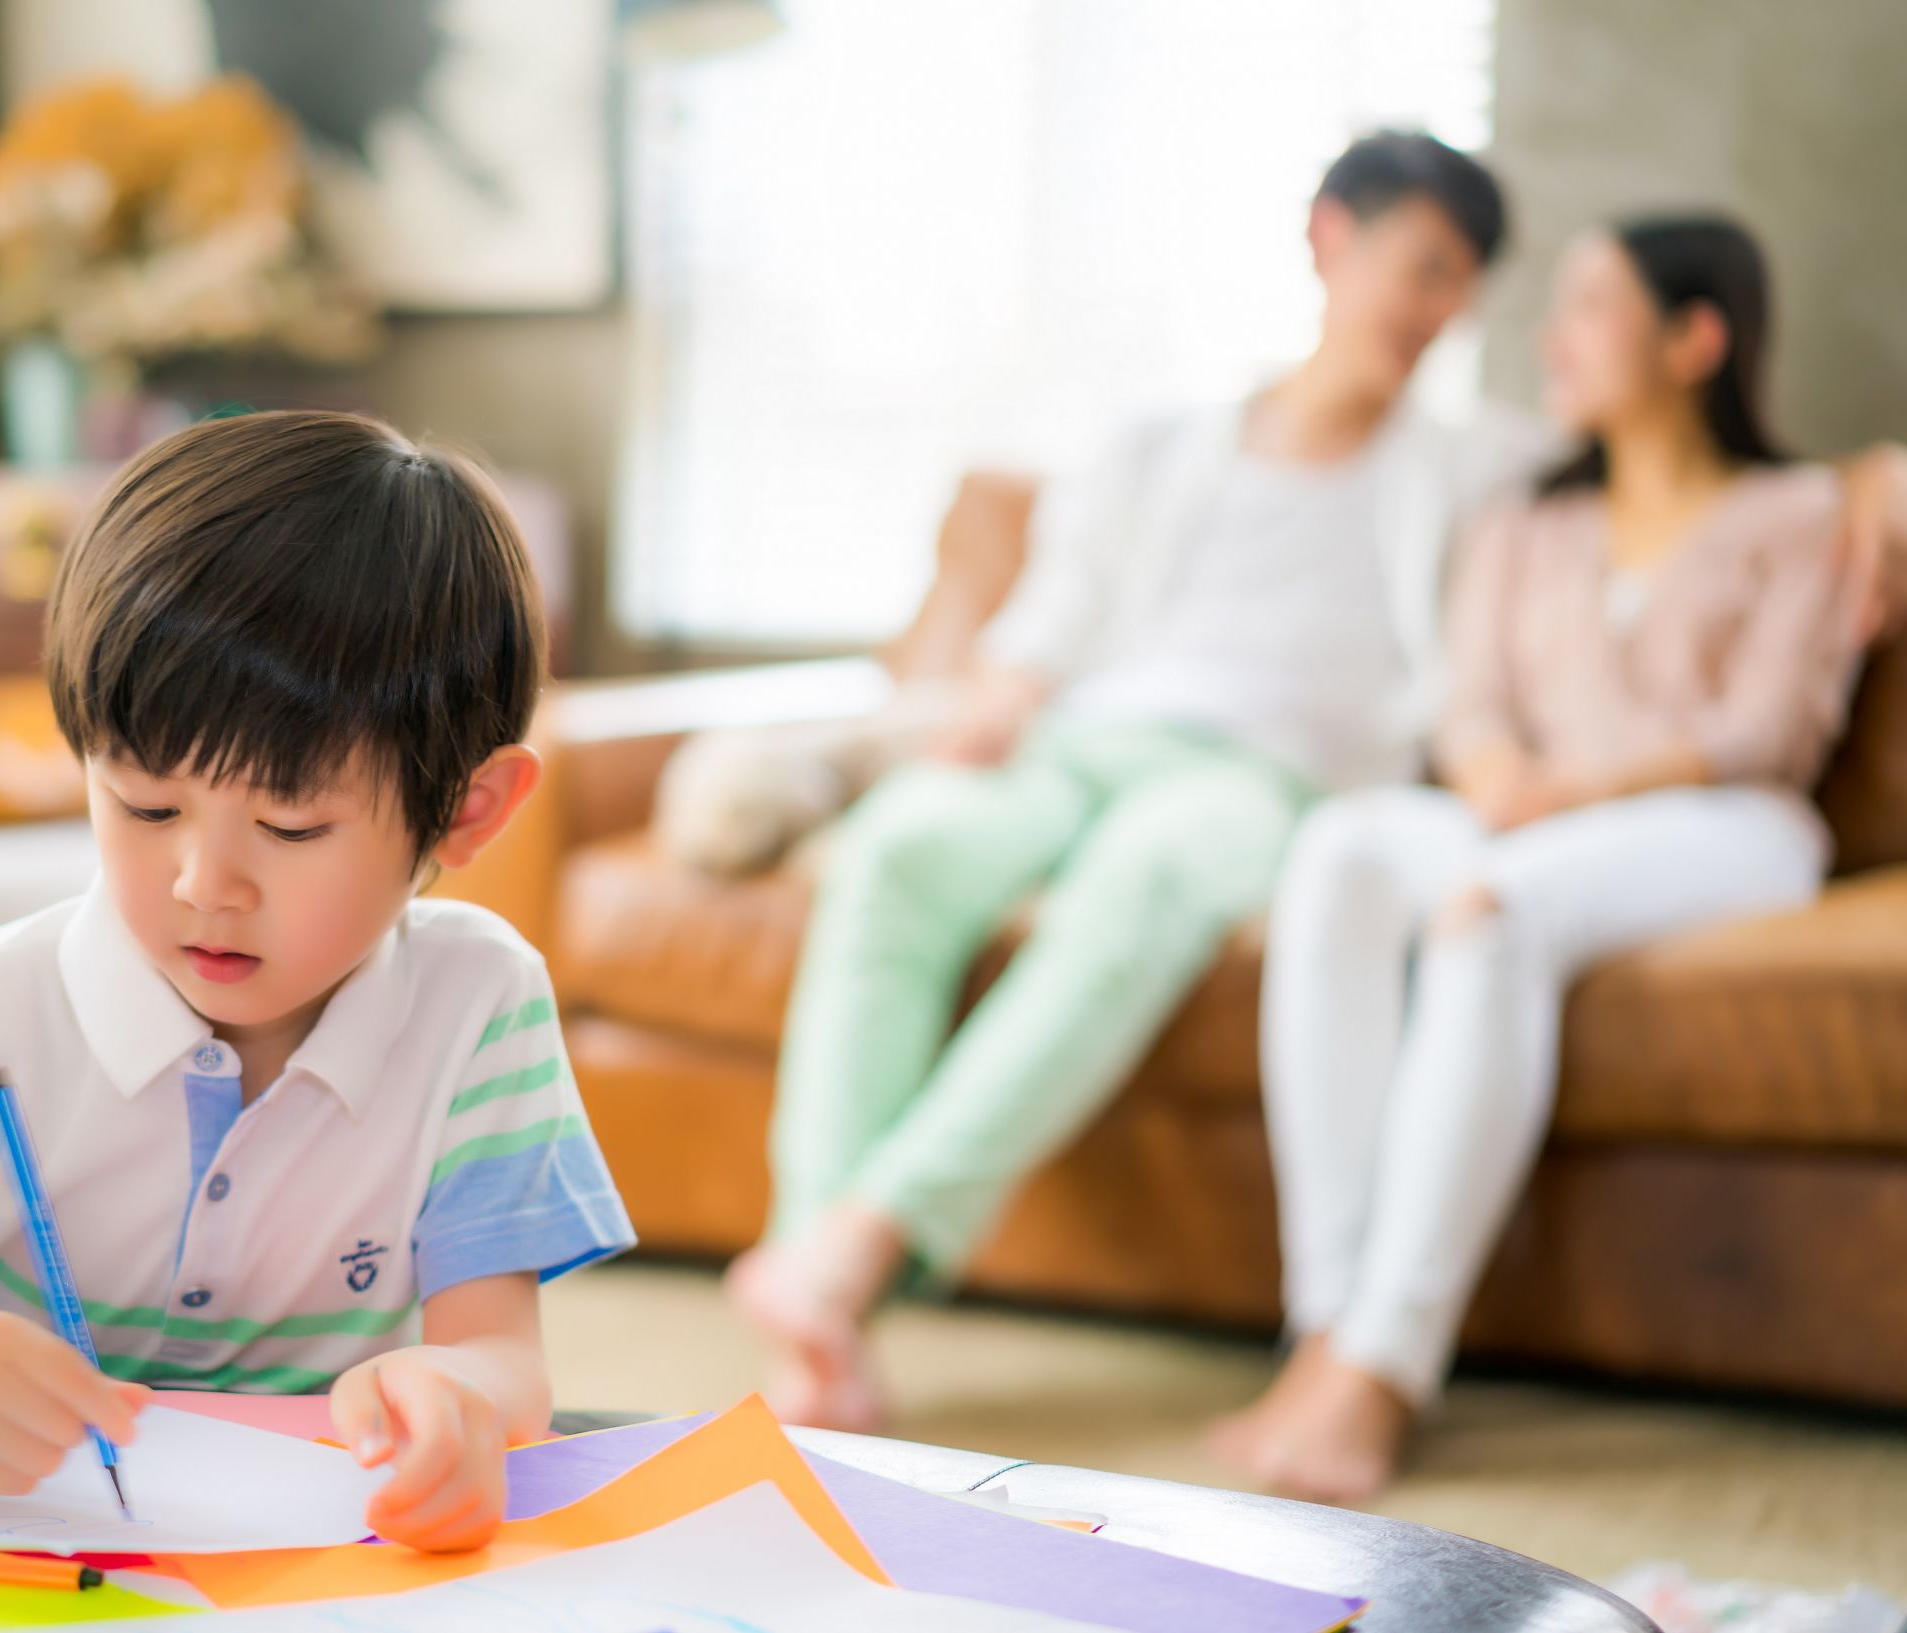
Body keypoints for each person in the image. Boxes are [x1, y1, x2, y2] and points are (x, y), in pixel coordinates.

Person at [0, 410, 637, 1553]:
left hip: (285, 1568)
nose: (205, 884)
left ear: (467, 809)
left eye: (292, 826)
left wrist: (457, 1396)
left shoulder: (479, 1004)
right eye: (145, 804)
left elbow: (500, 1355)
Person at [726, 132, 1555, 1432]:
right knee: (899, 848)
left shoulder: (1475, 465)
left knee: (1144, 883)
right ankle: (817, 1295)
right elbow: (1058, 613)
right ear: (1330, 239)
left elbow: (1659, 463)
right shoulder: (1160, 446)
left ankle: (865, 1240)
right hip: (1083, 741)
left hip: (1262, 780)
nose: (1438, 310)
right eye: (1423, 267)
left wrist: (1873, 490)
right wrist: (1001, 694)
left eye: (1462, 286)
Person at [1209, 215, 1863, 1502]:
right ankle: (1327, 1321)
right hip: (1535, 809)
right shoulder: (1524, 517)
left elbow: (1769, 726)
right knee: (1343, 847)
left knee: (1488, 907)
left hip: (1728, 821)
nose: (1551, 336)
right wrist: (1501, 776)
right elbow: (1470, 703)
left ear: (1695, 338)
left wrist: (1580, 790)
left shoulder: (1800, 513)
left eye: (1591, 306)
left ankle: (1387, 1366)